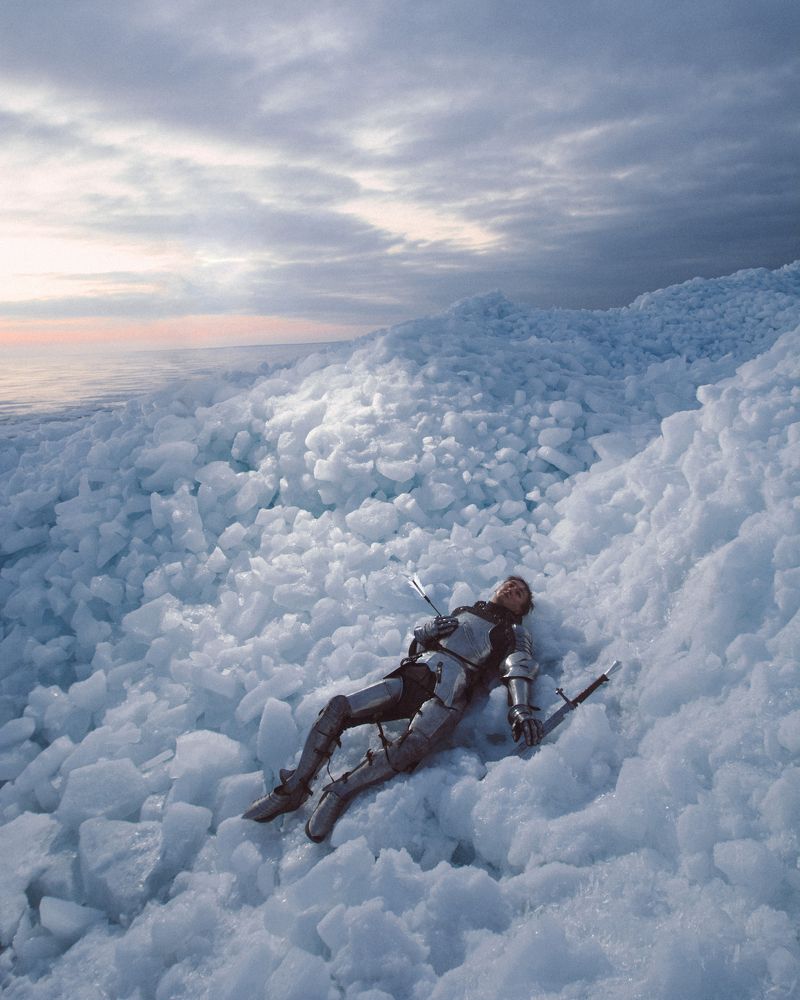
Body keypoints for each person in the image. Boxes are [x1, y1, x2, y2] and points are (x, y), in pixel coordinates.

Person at [243, 576, 543, 842]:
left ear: (522, 609)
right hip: (415, 673)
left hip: (450, 690)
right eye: (510, 584)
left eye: (520, 592)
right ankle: (293, 788)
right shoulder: (463, 611)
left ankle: (340, 792)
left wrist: (521, 709)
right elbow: (418, 646)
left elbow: (517, 666)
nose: (512, 588)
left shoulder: (514, 631)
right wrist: (427, 631)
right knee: (338, 707)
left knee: (411, 746)